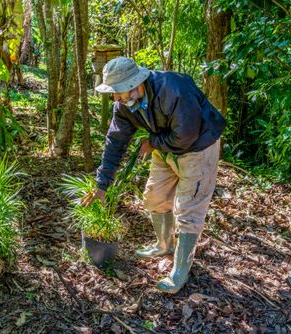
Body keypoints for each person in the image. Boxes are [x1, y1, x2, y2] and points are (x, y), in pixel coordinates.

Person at [82, 57, 226, 293]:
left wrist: (153, 141)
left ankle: (180, 271)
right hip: (163, 143)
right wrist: (102, 186)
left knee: (189, 209)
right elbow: (115, 142)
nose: (116, 99)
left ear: (136, 83)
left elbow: (186, 134)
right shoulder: (125, 106)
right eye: (113, 94)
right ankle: (163, 244)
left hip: (199, 145)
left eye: (119, 92)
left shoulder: (172, 88)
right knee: (154, 197)